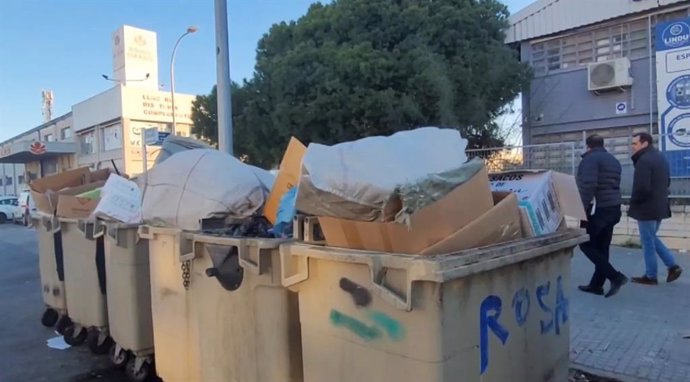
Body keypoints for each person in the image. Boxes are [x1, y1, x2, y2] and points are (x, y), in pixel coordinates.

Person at [576, 134, 628, 298]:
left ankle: (615, 276)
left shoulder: (590, 160)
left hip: (598, 209)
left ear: (588, 146)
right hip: (613, 207)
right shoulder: (613, 160)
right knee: (602, 247)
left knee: (585, 244)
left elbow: (588, 185)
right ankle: (596, 285)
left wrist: (580, 208)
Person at [628, 132, 682, 285]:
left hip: (646, 208)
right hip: (659, 206)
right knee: (651, 238)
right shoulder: (660, 158)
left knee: (648, 242)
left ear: (645, 143)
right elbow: (667, 181)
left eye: (635, 143)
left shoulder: (643, 160)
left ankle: (651, 275)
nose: (632, 146)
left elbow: (642, 187)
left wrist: (633, 202)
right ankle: (672, 266)